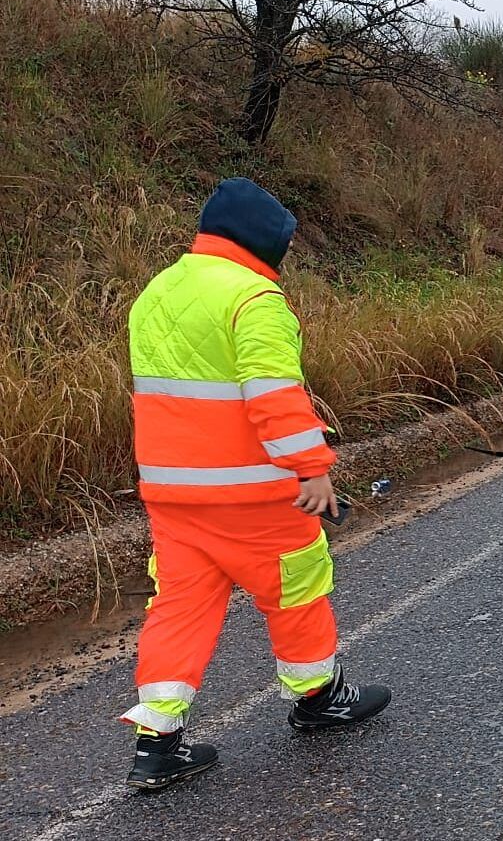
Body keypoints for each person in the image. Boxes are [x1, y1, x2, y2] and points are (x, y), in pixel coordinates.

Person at [121, 178, 390, 789]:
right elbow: (274, 397)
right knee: (297, 590)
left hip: (172, 497)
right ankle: (320, 697)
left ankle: (156, 743)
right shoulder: (253, 298)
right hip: (254, 497)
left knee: (179, 611)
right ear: (265, 244)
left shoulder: (156, 293)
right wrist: (312, 470)